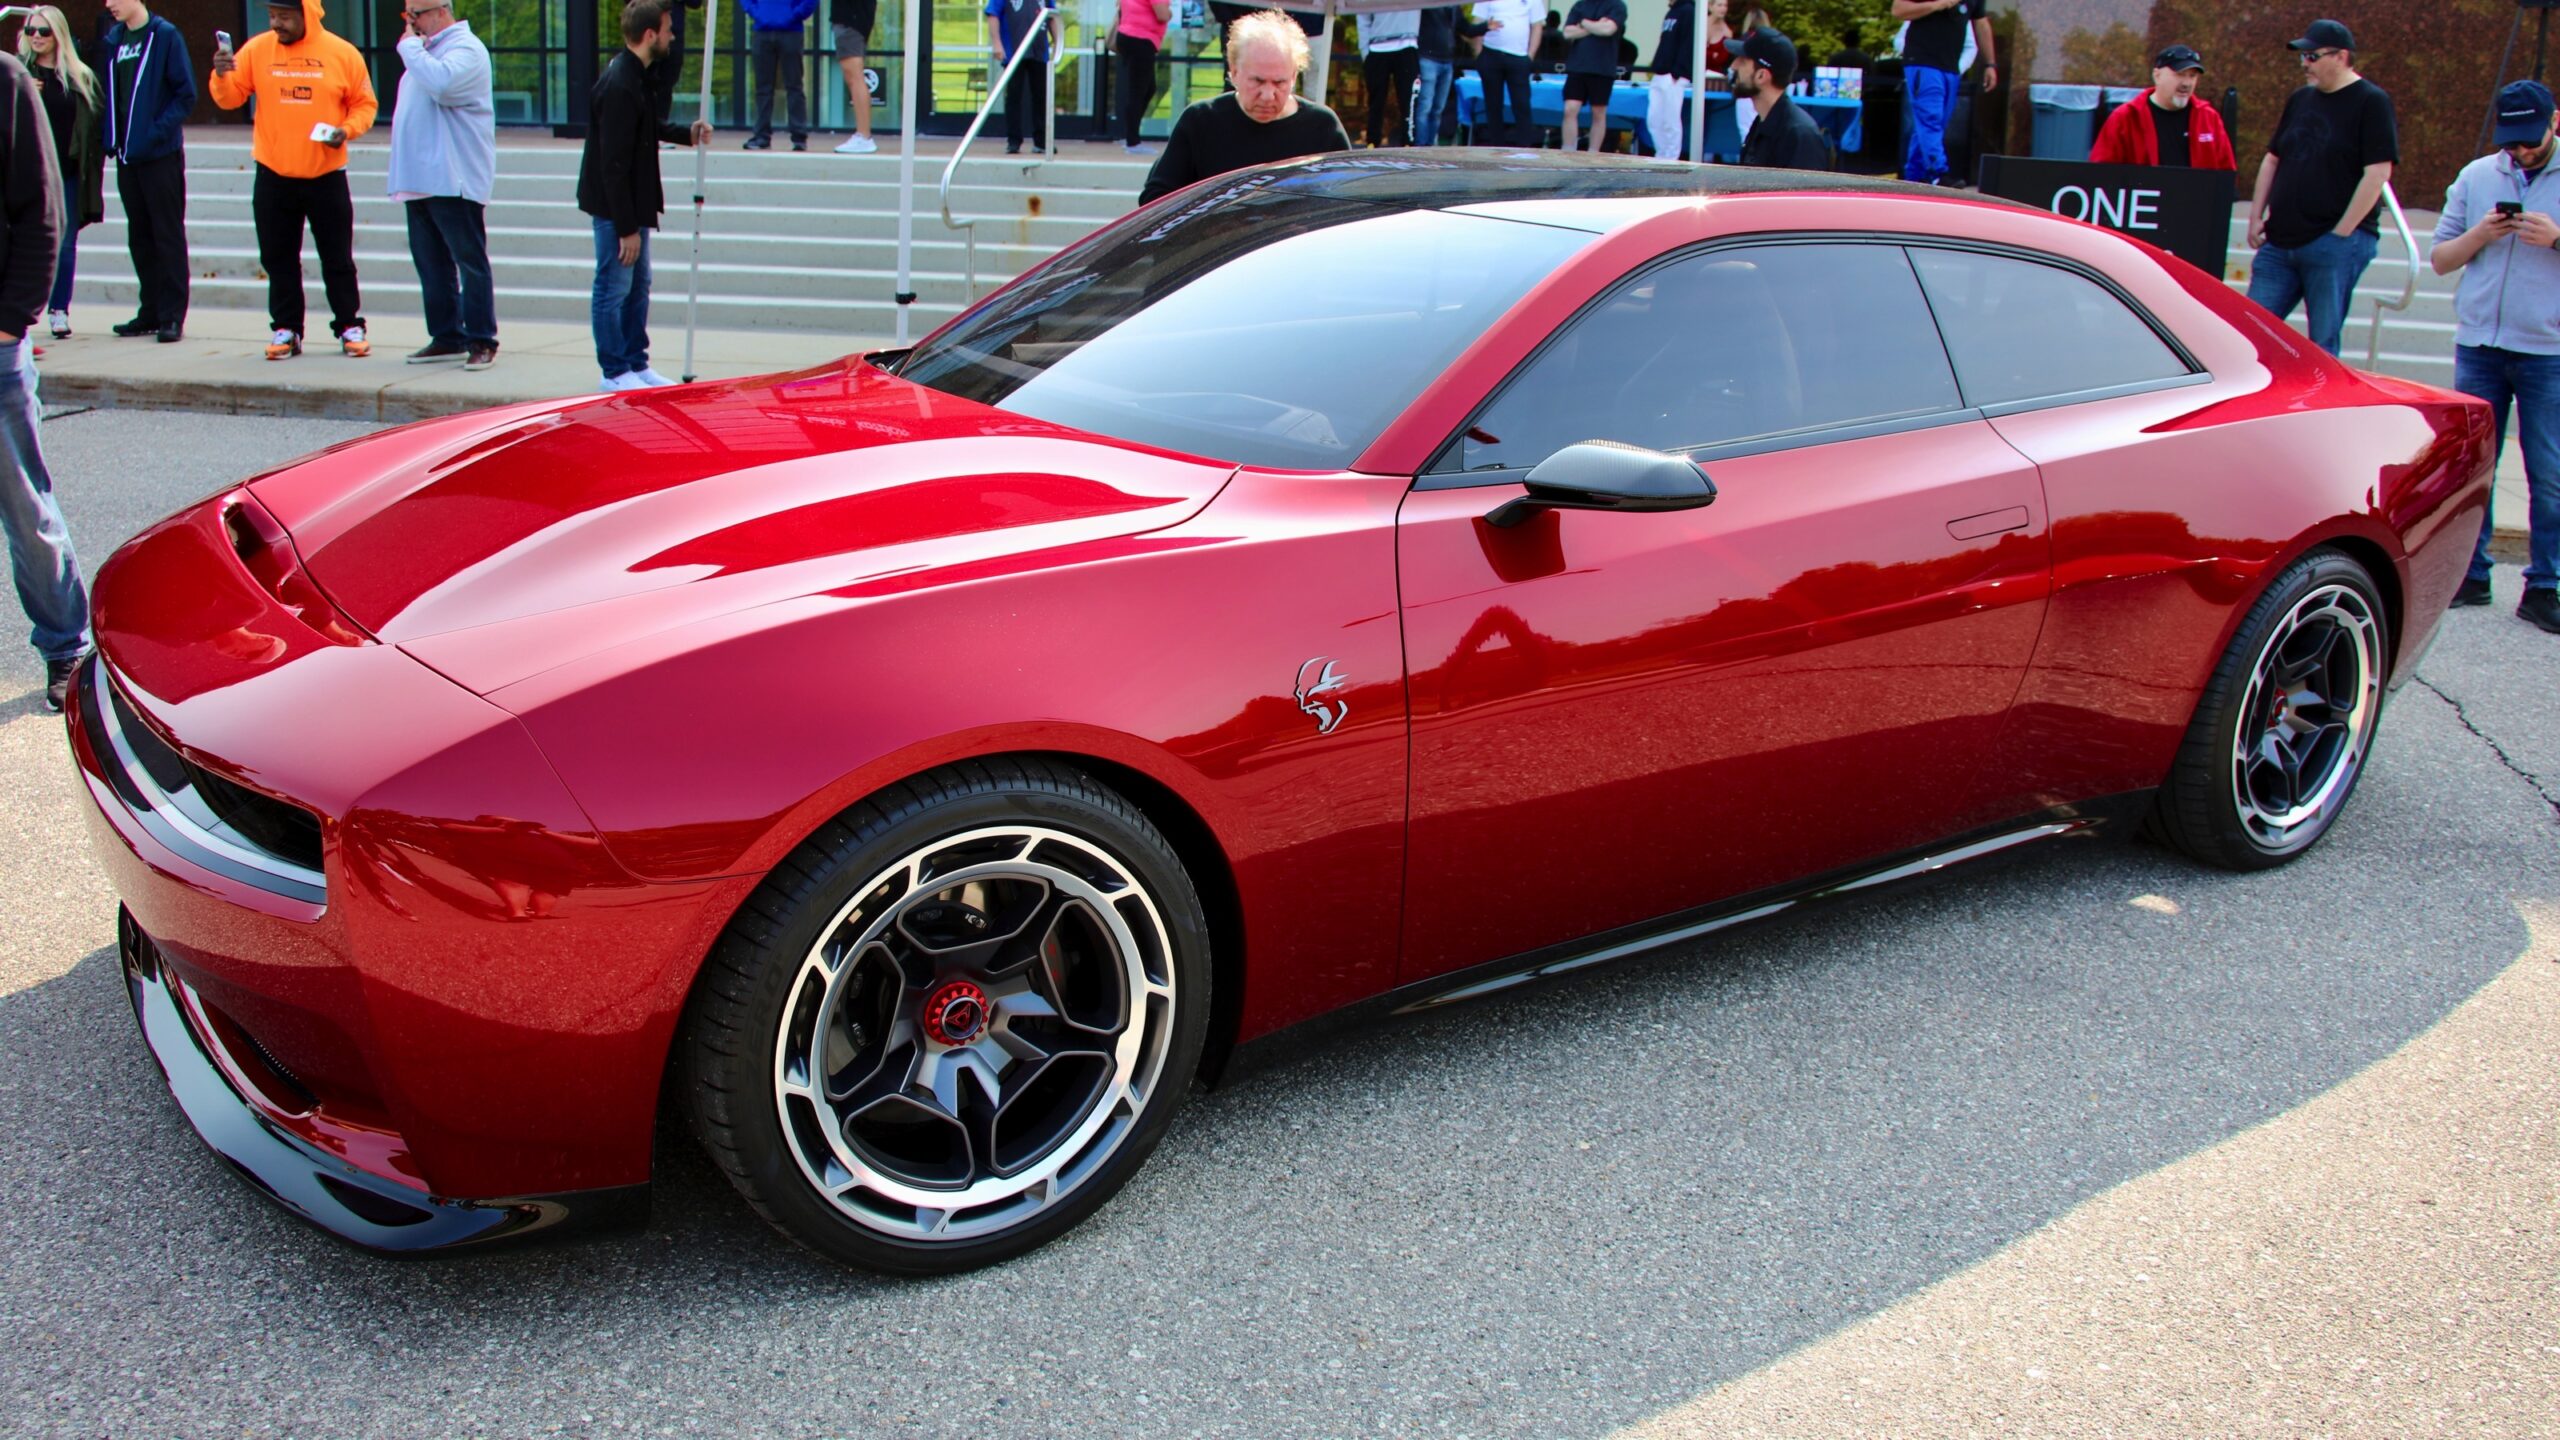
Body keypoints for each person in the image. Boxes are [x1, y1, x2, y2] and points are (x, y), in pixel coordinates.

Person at [2432, 79, 2560, 632]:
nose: (2521, 151)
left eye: (2530, 139)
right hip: (2480, 343)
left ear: (2555, 122)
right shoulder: (2478, 175)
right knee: (2473, 468)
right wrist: (2481, 234)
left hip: (2548, 349)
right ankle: (2472, 574)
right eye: (2511, 141)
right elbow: (2440, 258)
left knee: (2549, 472)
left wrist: (2555, 239)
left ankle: (2545, 585)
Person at [210, 0, 379, 361]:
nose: (277, 24)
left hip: (326, 174)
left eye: (285, 16)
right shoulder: (257, 50)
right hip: (273, 173)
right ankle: (286, 329)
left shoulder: (341, 53)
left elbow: (365, 104)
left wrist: (345, 130)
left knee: (337, 257)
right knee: (278, 257)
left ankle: (349, 325)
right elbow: (229, 99)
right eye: (272, 16)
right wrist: (222, 74)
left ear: (308, 14)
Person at [0, 48, 85, 711]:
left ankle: (66, 646)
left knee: (27, 512)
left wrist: (10, 322)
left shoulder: (6, 80)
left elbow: (42, 208)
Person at [577, 0, 713, 392]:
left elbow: (645, 127)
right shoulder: (620, 82)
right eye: (668, 29)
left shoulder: (637, 76)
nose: (673, 36)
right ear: (650, 34)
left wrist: (684, 133)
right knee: (614, 285)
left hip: (634, 200)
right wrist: (625, 228)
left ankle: (635, 362)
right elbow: (612, 163)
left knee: (637, 285)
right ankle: (615, 369)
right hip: (615, 205)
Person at [2244, 19, 2396, 359]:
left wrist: (2340, 234)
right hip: (2280, 240)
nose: (2305, 65)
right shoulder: (2300, 99)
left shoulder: (2370, 102)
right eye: (2303, 57)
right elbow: (2273, 158)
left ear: (2341, 57)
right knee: (2249, 333)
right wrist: (2256, 216)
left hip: (2331, 240)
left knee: (2322, 344)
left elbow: (2377, 173)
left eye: (2312, 56)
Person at [1138, 8, 1348, 203]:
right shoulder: (1200, 121)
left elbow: (1349, 202)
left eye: (1279, 83)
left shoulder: (1323, 128)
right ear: (1234, 71)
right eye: (1257, 81)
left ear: (1294, 76)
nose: (1267, 95)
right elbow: (1155, 201)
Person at [387, 0, 497, 370]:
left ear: (441, 11)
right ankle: (446, 334)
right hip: (420, 179)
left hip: (455, 177)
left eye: (415, 15)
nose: (411, 24)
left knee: (469, 261)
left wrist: (409, 47)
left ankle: (481, 337)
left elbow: (443, 85)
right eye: (408, 16)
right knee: (431, 264)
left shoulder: (466, 49)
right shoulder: (424, 52)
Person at [98, 0, 190, 343]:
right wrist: (112, 137)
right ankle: (149, 311)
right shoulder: (114, 39)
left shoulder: (164, 35)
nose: (108, 4)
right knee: (140, 236)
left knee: (166, 234)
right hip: (126, 156)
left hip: (159, 156)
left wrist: (152, 134)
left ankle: (172, 316)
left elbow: (185, 95)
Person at [17, 7, 98, 341]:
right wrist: (25, 95)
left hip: (65, 171)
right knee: (22, 243)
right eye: (31, 30)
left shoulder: (79, 76)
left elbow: (92, 125)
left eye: (44, 32)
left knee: (65, 244)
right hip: (26, 171)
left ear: (58, 35)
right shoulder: (18, 73)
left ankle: (58, 309)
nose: (36, 36)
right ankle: (20, 312)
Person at [1891, 0, 1993, 185]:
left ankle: (1914, 176)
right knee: (1930, 119)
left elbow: (1981, 23)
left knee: (1932, 124)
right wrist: (1938, 4)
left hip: (1950, 67)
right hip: (1923, 62)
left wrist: (1990, 64)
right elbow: (1898, 10)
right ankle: (1938, 172)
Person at [2089, 44, 2235, 170]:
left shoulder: (2208, 118)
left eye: (2192, 76)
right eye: (2180, 74)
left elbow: (2226, 173)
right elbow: (2101, 175)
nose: (2186, 83)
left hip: (2193, 202)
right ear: (2157, 75)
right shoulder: (2126, 118)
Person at [1732, 27, 1824, 169]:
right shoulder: (1764, 121)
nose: (1733, 66)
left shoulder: (1799, 134)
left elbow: (1804, 191)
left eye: (1743, 62)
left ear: (1762, 76)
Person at [986, 0, 1058, 156]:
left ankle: (1042, 142)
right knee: (1013, 96)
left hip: (1039, 52)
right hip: (1013, 52)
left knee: (1041, 97)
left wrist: (1058, 44)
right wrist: (997, 43)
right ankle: (1013, 141)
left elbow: (1052, 16)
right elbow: (993, 14)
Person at [742, 0, 816, 151]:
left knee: (794, 86)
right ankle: (761, 136)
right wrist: (757, 14)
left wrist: (793, 15)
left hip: (791, 32)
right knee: (763, 88)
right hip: (762, 31)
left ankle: (799, 137)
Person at [1557, 0, 1622, 152]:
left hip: (1602, 68)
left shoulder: (1616, 5)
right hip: (1578, 66)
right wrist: (1595, 25)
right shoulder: (1580, 5)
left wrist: (1584, 23)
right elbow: (1567, 33)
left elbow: (1608, 30)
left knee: (1598, 112)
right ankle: (1568, 150)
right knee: (1570, 109)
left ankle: (1593, 153)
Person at [1474, 0, 1539, 146]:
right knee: (1493, 105)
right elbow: (1478, 22)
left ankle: (1525, 148)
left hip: (1519, 57)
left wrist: (1530, 56)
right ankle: (1496, 146)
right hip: (1491, 53)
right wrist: (1478, 55)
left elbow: (1537, 25)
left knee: (1522, 104)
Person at [1359, 9, 1419, 148]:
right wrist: (1365, 52)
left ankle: (1408, 144)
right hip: (1378, 47)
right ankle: (1372, 143)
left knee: (1408, 101)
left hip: (1407, 44)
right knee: (1376, 101)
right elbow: (1362, 15)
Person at [831, 0, 879, 153]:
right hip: (851, 20)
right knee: (853, 78)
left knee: (855, 78)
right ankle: (863, 135)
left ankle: (864, 136)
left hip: (851, 22)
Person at [1413, 5, 1463, 147]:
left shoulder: (1454, 5)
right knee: (1425, 107)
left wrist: (1486, 26)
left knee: (1438, 109)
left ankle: (1431, 145)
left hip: (1447, 61)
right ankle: (1421, 146)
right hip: (1428, 59)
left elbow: (1464, 27)